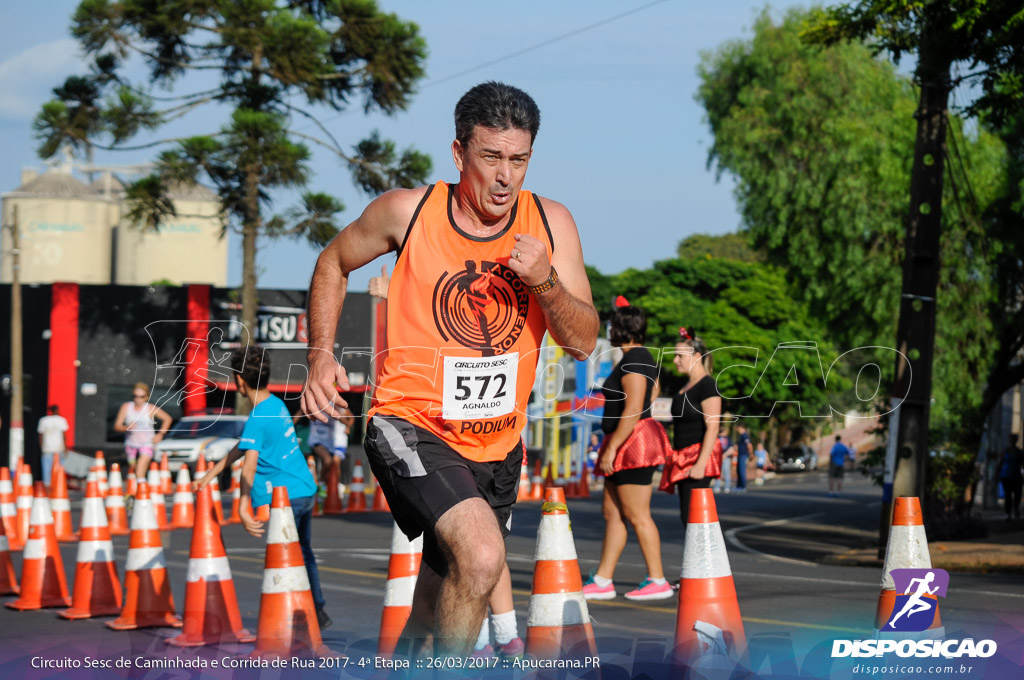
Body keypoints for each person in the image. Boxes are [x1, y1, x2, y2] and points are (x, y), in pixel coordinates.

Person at [301, 82, 599, 656]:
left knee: (441, 591)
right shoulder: (407, 212)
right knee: (483, 556)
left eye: (519, 160)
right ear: (459, 153)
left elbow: (583, 341)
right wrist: (320, 353)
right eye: (491, 158)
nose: (505, 177)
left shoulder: (550, 223)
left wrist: (545, 281)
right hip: (410, 422)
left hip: (495, 443)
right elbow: (333, 262)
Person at [231, 346, 332, 630]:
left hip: (286, 498)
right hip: (304, 489)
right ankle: (316, 610)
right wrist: (211, 473)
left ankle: (296, 617)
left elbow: (248, 466)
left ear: (239, 381)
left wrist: (241, 506)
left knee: (284, 555)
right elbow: (242, 449)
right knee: (303, 551)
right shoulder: (275, 405)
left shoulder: (256, 418)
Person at [583, 305, 672, 602]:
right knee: (613, 512)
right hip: (626, 440)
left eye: (611, 325)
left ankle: (657, 579)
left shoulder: (636, 359)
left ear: (621, 329)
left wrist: (613, 446)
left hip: (632, 443)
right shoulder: (640, 358)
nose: (608, 330)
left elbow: (635, 407)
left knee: (637, 514)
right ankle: (603, 579)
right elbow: (654, 392)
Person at [661, 327, 723, 526]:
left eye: (679, 356)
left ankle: (704, 557)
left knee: (694, 518)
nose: (675, 360)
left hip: (697, 459)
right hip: (682, 459)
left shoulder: (707, 386)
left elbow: (713, 427)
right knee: (687, 517)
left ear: (696, 356)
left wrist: (700, 464)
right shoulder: (685, 386)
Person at [114, 382, 172, 483]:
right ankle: (137, 492)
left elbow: (167, 418)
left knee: (140, 471)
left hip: (147, 443)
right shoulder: (126, 407)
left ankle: (142, 493)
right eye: (135, 396)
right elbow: (117, 427)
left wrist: (161, 434)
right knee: (133, 470)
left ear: (146, 397)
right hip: (131, 444)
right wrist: (126, 427)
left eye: (141, 397)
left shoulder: (149, 408)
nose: (138, 399)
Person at [37, 405, 70, 487]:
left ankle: (47, 486)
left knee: (46, 469)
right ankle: (59, 484)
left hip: (47, 448)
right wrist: (65, 447)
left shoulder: (43, 420)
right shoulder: (61, 420)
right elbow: (64, 435)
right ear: (57, 410)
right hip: (59, 448)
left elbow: (40, 435)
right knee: (59, 468)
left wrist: (42, 447)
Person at [998, 434, 1023, 520]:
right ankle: (1008, 513)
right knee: (1008, 496)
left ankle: (1015, 509)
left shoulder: (1019, 452)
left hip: (1016, 476)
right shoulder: (1005, 452)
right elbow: (1000, 464)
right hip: (1006, 476)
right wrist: (996, 475)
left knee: (1017, 495)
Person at [734, 424, 751, 492]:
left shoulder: (745, 435)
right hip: (740, 455)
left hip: (743, 455)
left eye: (738, 428)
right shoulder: (741, 436)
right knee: (738, 470)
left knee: (742, 471)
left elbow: (749, 445)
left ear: (741, 428)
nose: (737, 430)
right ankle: (739, 486)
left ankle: (743, 486)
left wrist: (750, 454)